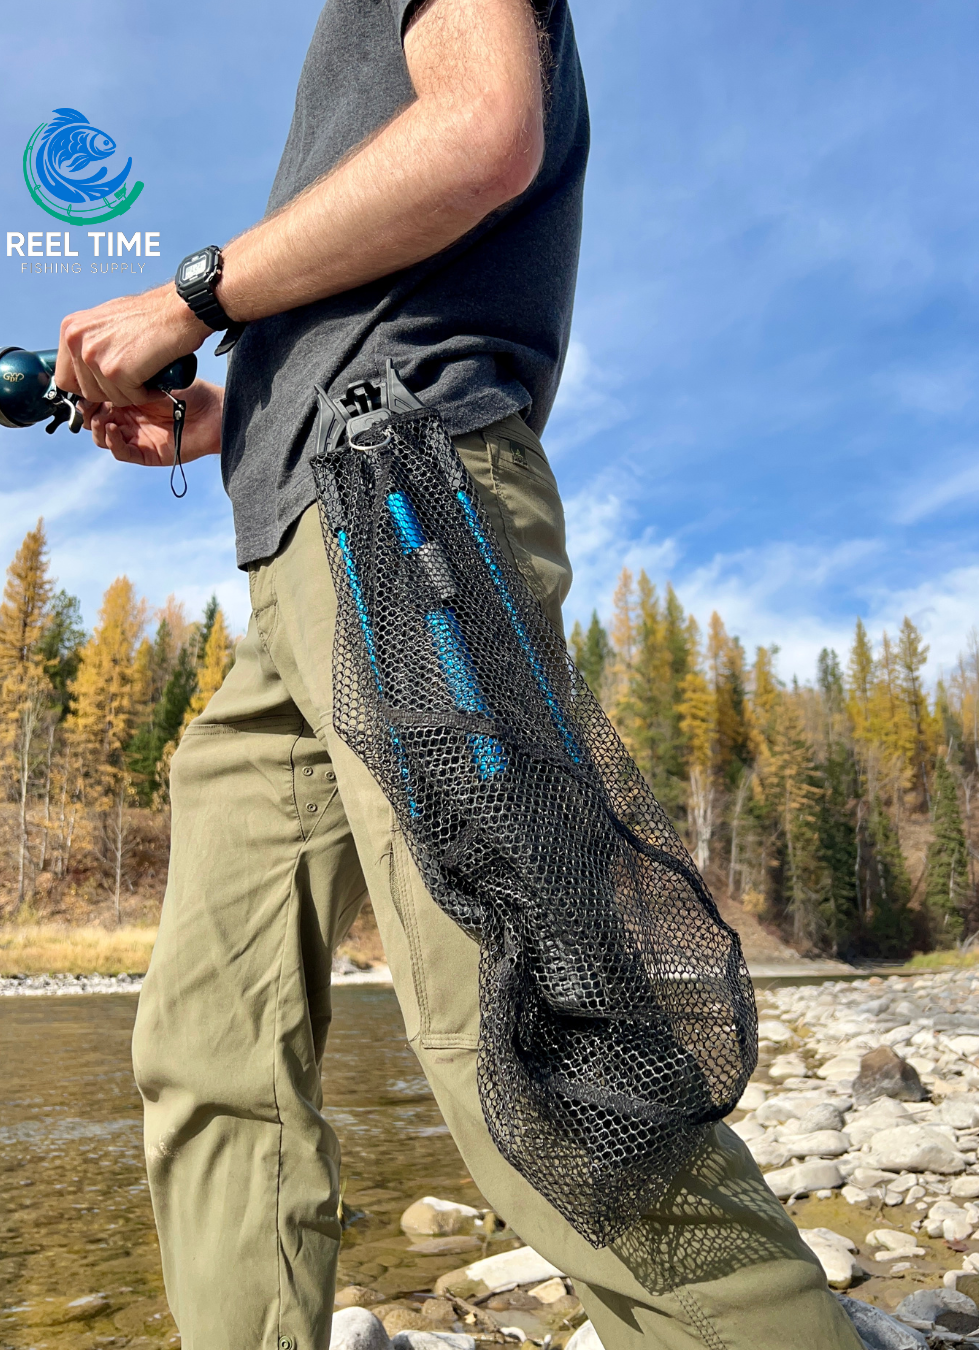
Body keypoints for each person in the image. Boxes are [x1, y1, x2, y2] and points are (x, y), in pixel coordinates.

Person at [55, 2, 864, 1348]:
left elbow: (481, 132)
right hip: (301, 562)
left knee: (543, 1057)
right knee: (208, 1053)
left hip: (398, 514)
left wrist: (186, 297)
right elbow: (358, 293)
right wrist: (218, 410)